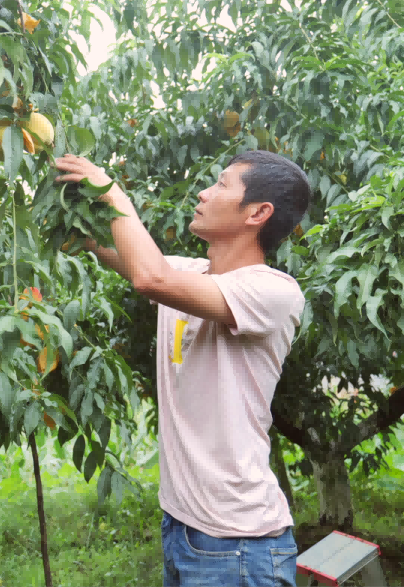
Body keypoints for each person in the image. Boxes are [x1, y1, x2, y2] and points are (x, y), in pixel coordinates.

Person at [55, 150, 310, 587]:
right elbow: (101, 245)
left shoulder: (274, 291)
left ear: (258, 213)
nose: (204, 193)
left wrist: (109, 189)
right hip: (183, 529)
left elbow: (150, 277)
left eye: (222, 185)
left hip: (238, 546)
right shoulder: (190, 273)